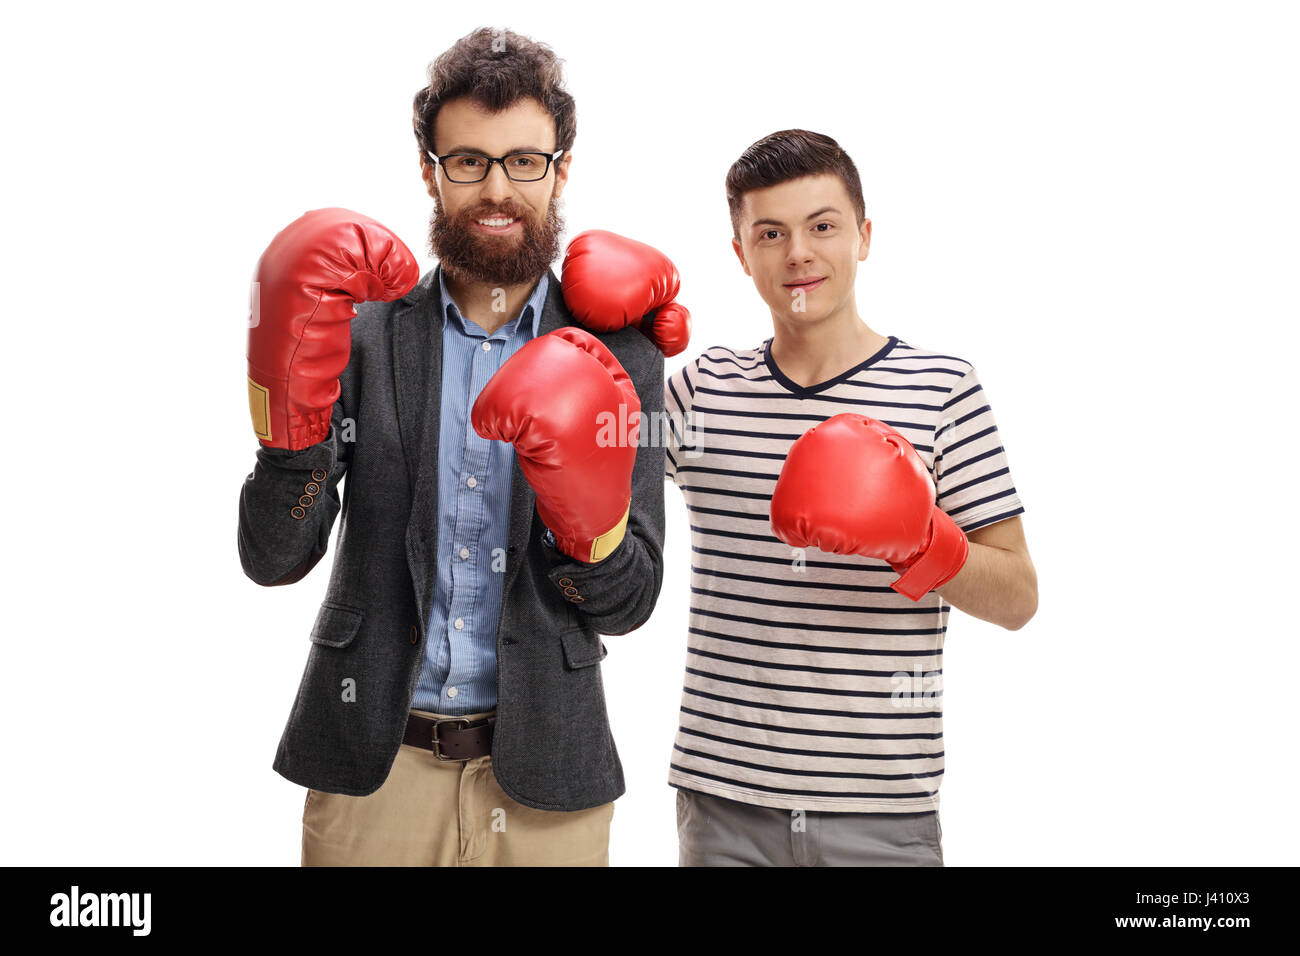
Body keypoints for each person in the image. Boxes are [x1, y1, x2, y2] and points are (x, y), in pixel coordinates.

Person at [238, 27, 686, 866]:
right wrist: (287, 435)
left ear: (561, 171)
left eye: (524, 160)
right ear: (430, 172)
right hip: (375, 766)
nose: (497, 187)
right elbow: (274, 557)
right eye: (468, 160)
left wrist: (591, 525)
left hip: (549, 778)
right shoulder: (362, 331)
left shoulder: (623, 352)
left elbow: (632, 603)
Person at [663, 129, 1038, 866]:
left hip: (882, 810)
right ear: (740, 253)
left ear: (864, 238)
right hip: (722, 801)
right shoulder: (700, 391)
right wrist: (618, 342)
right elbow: (580, 470)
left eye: (822, 226)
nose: (798, 253)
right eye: (770, 233)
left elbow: (1019, 598)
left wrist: (924, 540)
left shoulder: (942, 391)